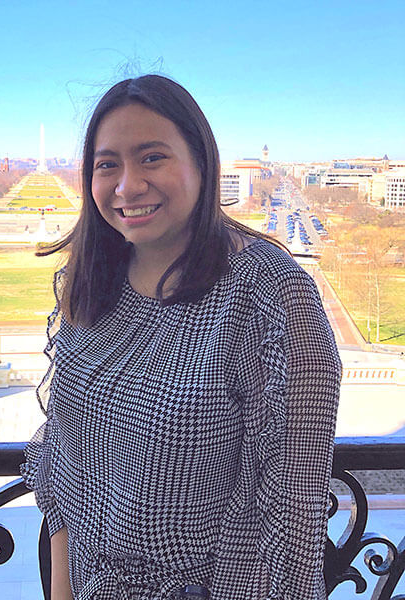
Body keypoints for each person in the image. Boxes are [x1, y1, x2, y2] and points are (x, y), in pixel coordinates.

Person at [21, 74, 341, 600]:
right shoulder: (94, 276)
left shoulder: (269, 296)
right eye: (108, 164)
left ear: (201, 162)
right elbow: (60, 462)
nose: (127, 186)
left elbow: (291, 525)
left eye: (152, 158)